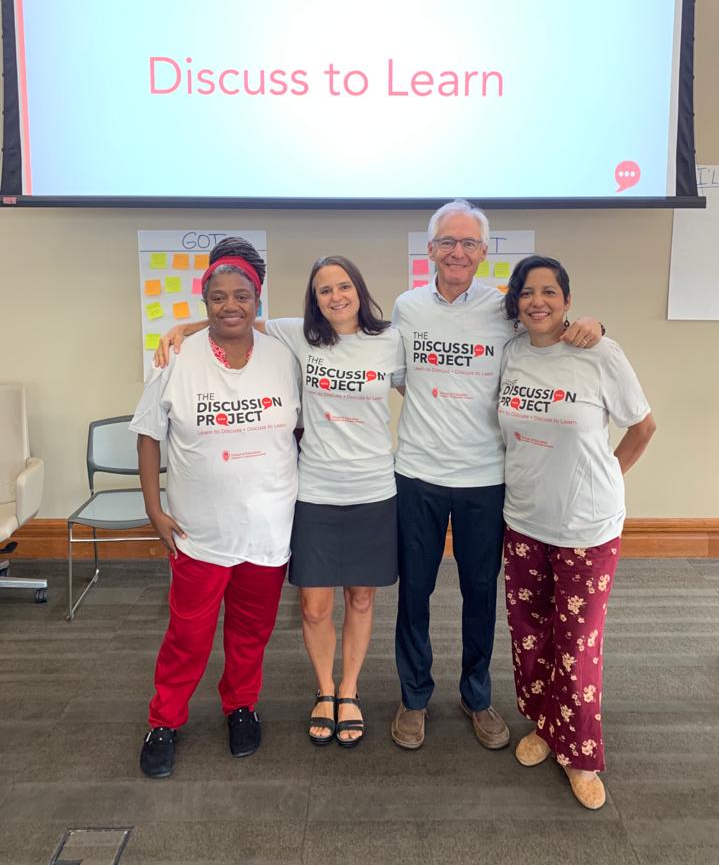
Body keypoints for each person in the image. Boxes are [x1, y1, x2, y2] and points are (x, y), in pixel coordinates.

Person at [157, 254, 404, 747]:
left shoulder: (391, 341)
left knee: (360, 597)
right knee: (313, 606)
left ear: (359, 288)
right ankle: (323, 689)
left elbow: (431, 391)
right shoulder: (298, 336)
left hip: (374, 488)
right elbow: (233, 316)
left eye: (342, 286)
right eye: (323, 290)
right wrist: (182, 328)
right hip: (313, 489)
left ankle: (348, 692)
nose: (335, 296)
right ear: (314, 300)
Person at [390, 200, 604, 752]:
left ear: (484, 253)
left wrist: (596, 324)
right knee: (414, 591)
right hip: (417, 473)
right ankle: (414, 697)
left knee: (480, 593)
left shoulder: (504, 309)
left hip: (487, 479)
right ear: (430, 249)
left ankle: (476, 695)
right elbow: (374, 362)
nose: (457, 252)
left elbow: (551, 322)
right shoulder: (407, 307)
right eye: (446, 242)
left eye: (468, 244)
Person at [131, 237, 301, 778]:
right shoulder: (176, 357)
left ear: (258, 298)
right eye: (219, 297)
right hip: (199, 531)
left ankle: (241, 707)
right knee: (187, 635)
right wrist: (154, 511)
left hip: (268, 529)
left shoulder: (283, 355)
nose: (231, 306)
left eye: (242, 296)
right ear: (204, 303)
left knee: (251, 632)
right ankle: (165, 720)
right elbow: (148, 436)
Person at [498, 255, 655, 809]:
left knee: (578, 644)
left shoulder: (599, 353)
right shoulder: (512, 354)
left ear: (566, 300)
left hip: (587, 527)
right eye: (526, 293)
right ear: (515, 303)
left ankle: (581, 753)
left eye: (548, 291)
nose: (537, 301)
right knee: (531, 635)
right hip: (523, 521)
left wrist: (607, 475)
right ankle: (545, 725)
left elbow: (643, 427)